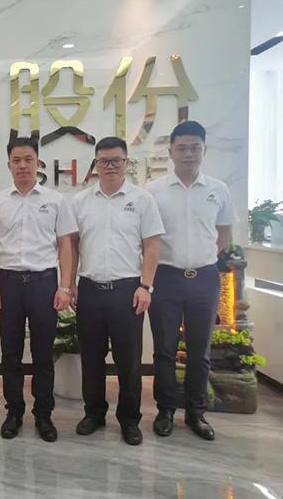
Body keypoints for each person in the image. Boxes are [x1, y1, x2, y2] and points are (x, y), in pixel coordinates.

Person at [146, 121, 239, 441]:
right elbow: (147, 239)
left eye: (195, 148)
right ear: (171, 151)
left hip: (204, 278)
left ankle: (196, 413)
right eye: (182, 148)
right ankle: (165, 410)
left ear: (204, 150)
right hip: (166, 278)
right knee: (165, 350)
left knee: (200, 351)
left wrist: (204, 257)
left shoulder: (218, 190)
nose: (188, 154)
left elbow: (224, 232)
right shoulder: (153, 191)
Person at [69, 136, 164, 446]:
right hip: (90, 290)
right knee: (91, 358)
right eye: (103, 161)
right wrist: (69, 284)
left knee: (129, 361)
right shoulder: (80, 202)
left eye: (116, 160)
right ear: (95, 164)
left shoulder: (142, 200)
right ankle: (94, 413)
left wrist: (146, 286)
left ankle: (129, 419)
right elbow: (71, 246)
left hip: (128, 291)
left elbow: (152, 245)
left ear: (126, 162)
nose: (110, 166)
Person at [0, 137, 77, 442]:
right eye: (17, 160)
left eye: (28, 160)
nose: (22, 165)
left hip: (43, 284)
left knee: (43, 354)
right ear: (9, 165)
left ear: (38, 163)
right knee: (10, 354)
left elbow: (65, 245)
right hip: (8, 283)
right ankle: (13, 411)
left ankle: (43, 414)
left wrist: (64, 287)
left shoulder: (55, 200)